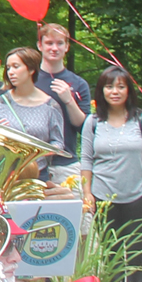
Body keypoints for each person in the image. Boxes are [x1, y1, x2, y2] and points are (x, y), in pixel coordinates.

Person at [81, 66, 142, 282]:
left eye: (120, 86)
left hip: (137, 195)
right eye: (109, 86)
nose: (115, 91)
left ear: (128, 90)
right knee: (111, 254)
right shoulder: (93, 122)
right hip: (104, 197)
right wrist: (87, 192)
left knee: (139, 252)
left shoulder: (141, 119)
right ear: (101, 90)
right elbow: (86, 159)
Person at [0, 47, 64, 182]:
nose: (11, 72)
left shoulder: (50, 106)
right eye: (8, 68)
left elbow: (58, 142)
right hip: (5, 173)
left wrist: (39, 151)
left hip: (38, 173)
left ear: (30, 69)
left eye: (16, 67)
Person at [36, 24, 90, 186]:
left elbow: (83, 127)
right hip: (33, 164)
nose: (54, 48)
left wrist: (69, 100)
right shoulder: (28, 80)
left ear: (67, 47)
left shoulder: (79, 84)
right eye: (49, 43)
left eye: (60, 43)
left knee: (70, 211)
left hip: (66, 164)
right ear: (40, 45)